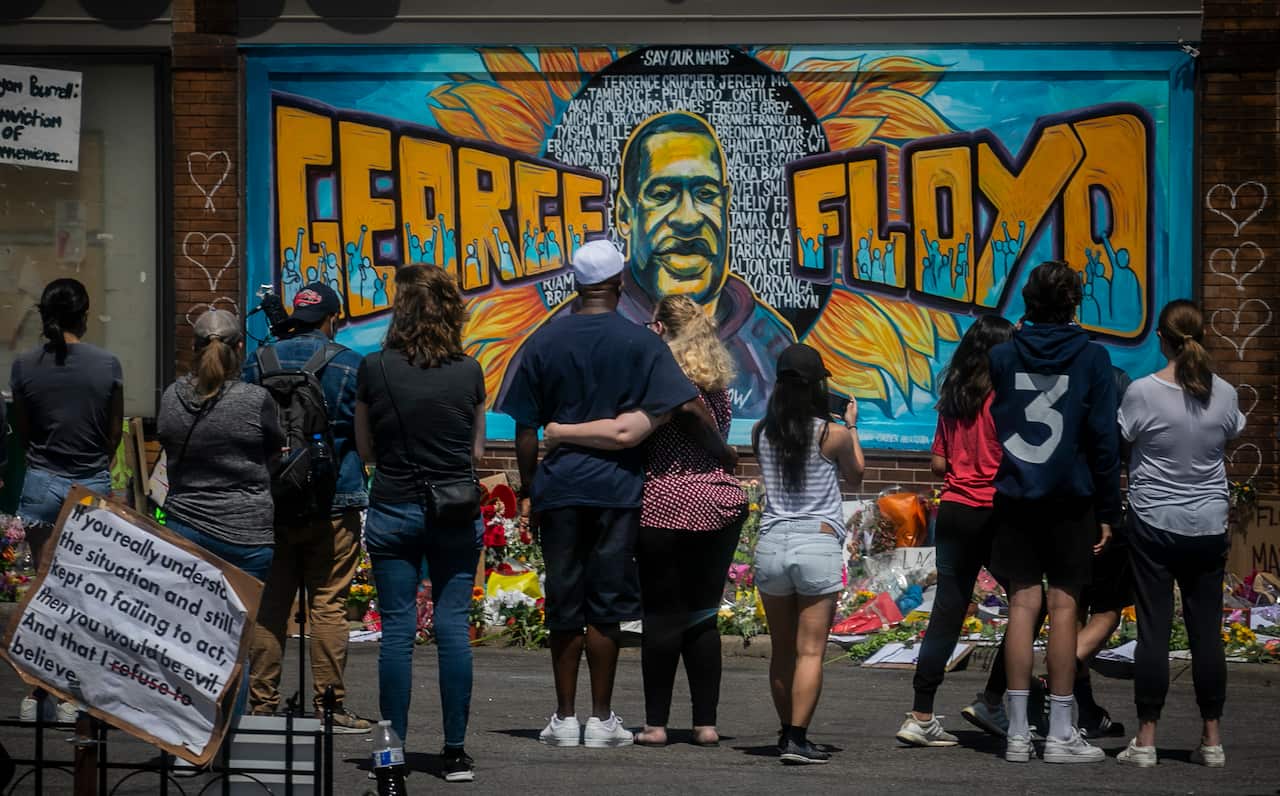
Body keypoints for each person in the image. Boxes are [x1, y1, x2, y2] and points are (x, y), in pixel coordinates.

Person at [499, 240, 703, 750]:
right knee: (605, 604)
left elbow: (525, 428)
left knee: (564, 600)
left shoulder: (543, 340)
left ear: (576, 284)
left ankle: (564, 717)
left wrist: (529, 489)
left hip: (559, 488)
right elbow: (681, 402)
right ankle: (602, 718)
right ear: (618, 283)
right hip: (617, 489)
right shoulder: (641, 343)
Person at [543, 294, 745, 747]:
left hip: (667, 501)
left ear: (660, 331)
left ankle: (655, 724)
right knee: (703, 616)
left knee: (662, 616)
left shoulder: (665, 384)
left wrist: (560, 432)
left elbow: (624, 433)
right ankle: (706, 724)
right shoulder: (716, 383)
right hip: (720, 501)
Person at [501, 112, 796, 416]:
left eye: (705, 194)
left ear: (726, 204)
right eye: (663, 194)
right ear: (625, 215)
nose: (688, 219)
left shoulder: (770, 344)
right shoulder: (556, 342)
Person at [354, 264, 486, 782]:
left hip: (393, 506)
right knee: (452, 628)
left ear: (401, 310)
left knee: (397, 632)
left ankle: (392, 753)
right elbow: (476, 452)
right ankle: (454, 753)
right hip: (453, 510)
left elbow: (366, 449)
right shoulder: (469, 371)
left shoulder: (374, 368)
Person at [987, 261, 1121, 764]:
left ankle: (1018, 732)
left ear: (1028, 300)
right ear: (1074, 303)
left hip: (1016, 495)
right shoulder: (1093, 358)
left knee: (1022, 607)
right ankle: (1062, 733)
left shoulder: (1002, 356)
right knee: (1065, 608)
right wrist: (1108, 508)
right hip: (1071, 497)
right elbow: (1103, 439)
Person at [1115, 300, 1245, 769]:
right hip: (1208, 523)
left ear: (1161, 339)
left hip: (1154, 520)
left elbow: (1124, 441)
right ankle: (1212, 739)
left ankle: (1146, 739)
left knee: (1154, 631)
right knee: (1206, 632)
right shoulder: (1224, 393)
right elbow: (1229, 435)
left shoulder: (1141, 392)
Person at [244, 282, 372, 733]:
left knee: (271, 606)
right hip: (335, 501)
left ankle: (261, 707)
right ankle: (329, 707)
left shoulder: (258, 362)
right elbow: (364, 435)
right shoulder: (351, 364)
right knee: (328, 606)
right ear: (332, 318)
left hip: (274, 502)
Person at [157, 309, 283, 718]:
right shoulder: (256, 400)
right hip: (247, 536)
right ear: (240, 348)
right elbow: (274, 453)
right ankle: (227, 737)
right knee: (234, 645)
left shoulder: (172, 397)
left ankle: (185, 732)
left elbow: (168, 445)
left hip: (186, 529)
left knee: (186, 639)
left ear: (193, 348)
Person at [896, 315, 1014, 747]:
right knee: (1029, 602)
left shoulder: (954, 395)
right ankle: (993, 699)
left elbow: (939, 464)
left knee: (947, 611)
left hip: (955, 510)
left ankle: (920, 714)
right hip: (996, 511)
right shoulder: (1007, 397)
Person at [11, 278, 123, 724]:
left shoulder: (24, 366)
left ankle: (36, 692)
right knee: (84, 593)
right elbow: (113, 433)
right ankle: (74, 693)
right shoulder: (107, 365)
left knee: (44, 590)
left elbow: (23, 432)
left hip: (41, 482)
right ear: (85, 314)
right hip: (89, 483)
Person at [752, 343, 863, 765]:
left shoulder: (760, 431)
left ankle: (785, 733)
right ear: (818, 386)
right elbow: (856, 475)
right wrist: (851, 426)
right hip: (816, 543)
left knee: (782, 650)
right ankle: (799, 739)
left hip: (772, 543)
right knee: (811, 650)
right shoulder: (831, 434)